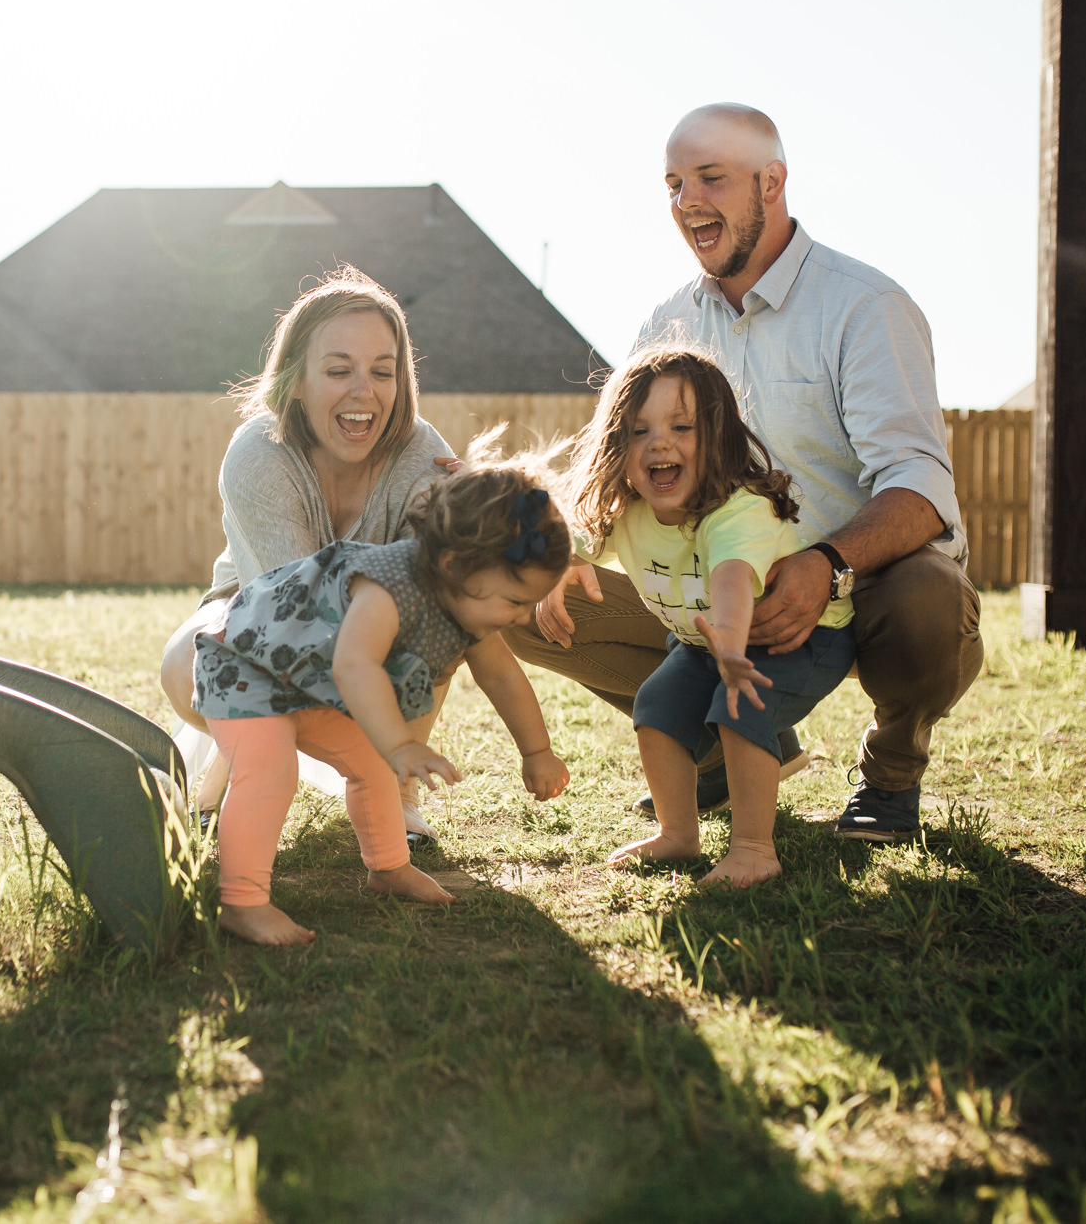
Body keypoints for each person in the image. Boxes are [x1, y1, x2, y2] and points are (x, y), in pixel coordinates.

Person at [512, 103, 982, 842]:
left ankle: (891, 771)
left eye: (710, 178)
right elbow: (610, 467)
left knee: (929, 596)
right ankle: (723, 750)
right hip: (710, 588)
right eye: (673, 184)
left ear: (772, 182)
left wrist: (824, 564)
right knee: (520, 587)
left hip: (852, 588)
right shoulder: (668, 323)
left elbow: (922, 490)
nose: (687, 201)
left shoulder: (864, 305)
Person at [193, 438, 574, 945]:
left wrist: (537, 751)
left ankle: (389, 868)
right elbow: (355, 666)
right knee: (271, 772)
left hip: (302, 681)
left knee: (372, 766)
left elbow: (502, 676)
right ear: (456, 567)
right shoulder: (389, 584)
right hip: (245, 664)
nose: (524, 616)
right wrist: (402, 743)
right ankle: (242, 903)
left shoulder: (468, 606)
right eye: (515, 600)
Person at [160, 266, 454, 842]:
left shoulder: (423, 453)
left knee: (442, 609)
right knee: (183, 664)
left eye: (382, 372)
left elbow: (454, 586)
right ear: (295, 381)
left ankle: (396, 791)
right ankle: (239, 759)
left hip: (373, 631)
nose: (363, 391)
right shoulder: (258, 452)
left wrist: (469, 522)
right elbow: (293, 616)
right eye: (338, 370)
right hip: (255, 614)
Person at [564, 346, 854, 886]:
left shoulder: (738, 507)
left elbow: (732, 577)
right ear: (616, 447)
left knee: (741, 706)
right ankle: (679, 834)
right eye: (639, 430)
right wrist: (563, 565)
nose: (660, 442)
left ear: (718, 437)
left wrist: (728, 636)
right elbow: (575, 540)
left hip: (803, 636)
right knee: (657, 703)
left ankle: (753, 848)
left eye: (682, 426)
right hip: (707, 643)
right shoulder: (626, 510)